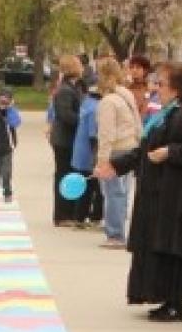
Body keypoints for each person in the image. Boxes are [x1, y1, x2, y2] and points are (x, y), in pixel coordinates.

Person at [94, 63, 182, 322]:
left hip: (175, 195)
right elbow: (144, 150)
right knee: (156, 245)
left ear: (177, 88)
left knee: (171, 247)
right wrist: (116, 165)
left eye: (162, 84)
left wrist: (171, 153)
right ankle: (163, 296)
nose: (157, 88)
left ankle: (176, 301)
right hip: (156, 192)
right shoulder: (166, 114)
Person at [93, 58, 141, 248]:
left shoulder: (108, 101)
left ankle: (115, 234)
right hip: (129, 146)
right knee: (123, 193)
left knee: (113, 193)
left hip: (115, 149)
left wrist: (102, 160)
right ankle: (119, 229)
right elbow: (137, 121)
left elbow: (106, 134)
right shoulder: (126, 94)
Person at [50, 55, 85, 227]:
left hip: (68, 138)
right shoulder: (65, 90)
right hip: (64, 139)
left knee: (67, 174)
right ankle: (62, 214)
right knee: (64, 175)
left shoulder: (72, 87)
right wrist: (83, 120)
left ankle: (68, 212)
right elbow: (66, 115)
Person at [71, 83, 104, 229]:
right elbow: (93, 135)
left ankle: (79, 217)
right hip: (89, 153)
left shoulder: (86, 103)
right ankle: (93, 217)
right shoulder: (96, 108)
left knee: (84, 186)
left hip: (80, 150)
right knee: (94, 187)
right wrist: (97, 156)